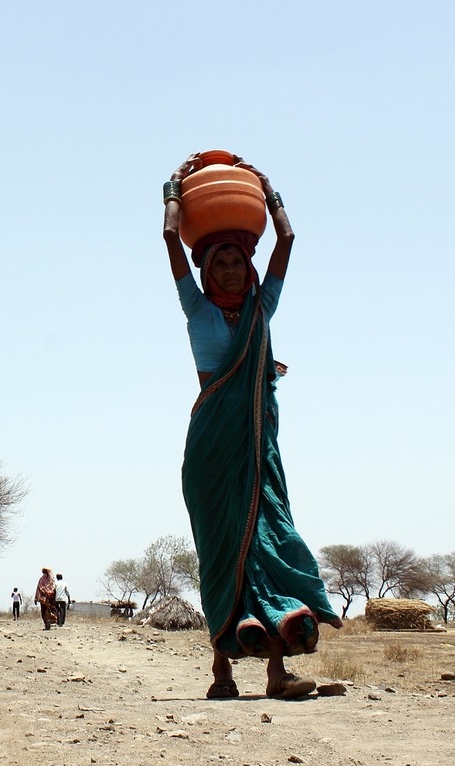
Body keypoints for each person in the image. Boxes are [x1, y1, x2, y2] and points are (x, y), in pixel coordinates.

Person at [163, 152, 343, 701]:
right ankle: (222, 673)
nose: (232, 271)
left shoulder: (263, 308)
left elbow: (287, 242)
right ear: (205, 270)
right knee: (221, 553)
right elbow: (171, 243)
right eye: (221, 263)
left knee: (269, 542)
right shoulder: (198, 311)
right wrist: (172, 194)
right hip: (213, 453)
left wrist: (269, 191)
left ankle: (274, 674)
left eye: (239, 262)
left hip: (259, 449)